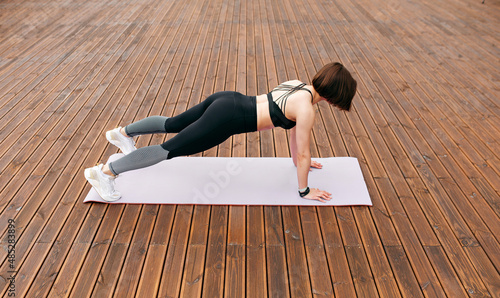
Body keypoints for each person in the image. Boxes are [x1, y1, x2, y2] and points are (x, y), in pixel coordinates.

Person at [85, 62, 357, 203]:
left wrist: (299, 162)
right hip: (227, 119)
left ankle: (123, 133)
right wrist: (304, 190)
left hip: (227, 99)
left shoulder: (298, 85)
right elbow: (304, 146)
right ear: (335, 97)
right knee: (170, 149)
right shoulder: (308, 110)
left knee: (173, 122)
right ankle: (105, 173)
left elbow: (296, 140)